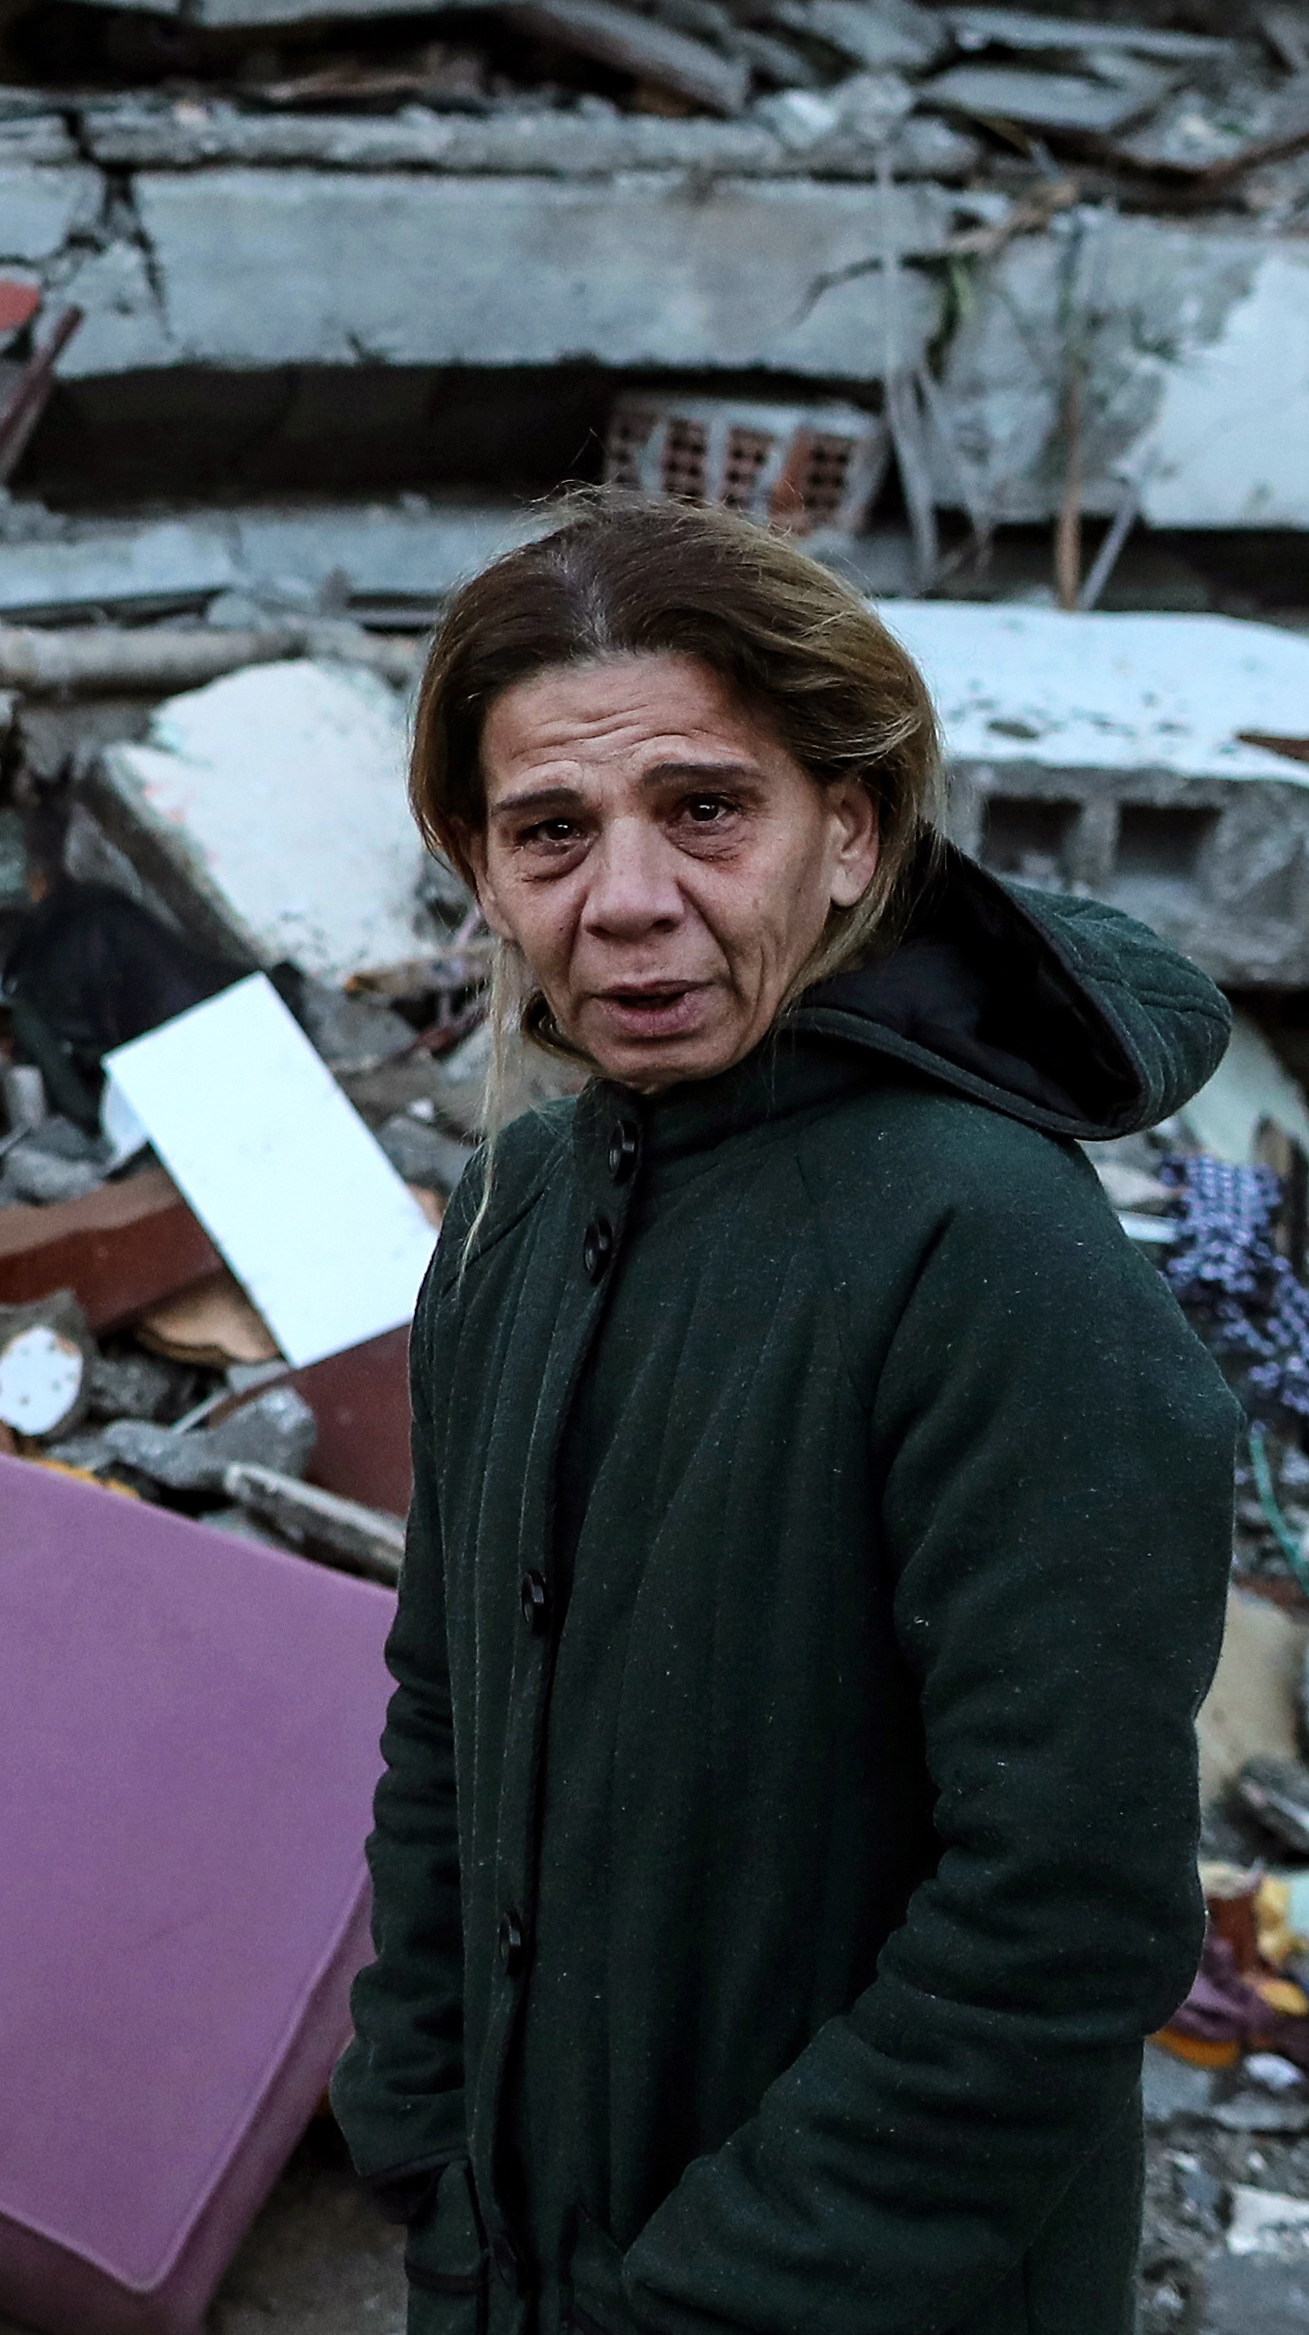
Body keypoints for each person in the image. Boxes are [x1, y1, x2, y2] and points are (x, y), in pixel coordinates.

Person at [331, 492, 1241, 2335]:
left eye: (708, 808)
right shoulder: (516, 1224)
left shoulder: (992, 1254)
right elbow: (446, 1716)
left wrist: (718, 2295)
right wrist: (421, 2138)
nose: (632, 899)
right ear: (478, 866)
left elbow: (1061, 1921)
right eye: (552, 833)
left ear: (856, 831)